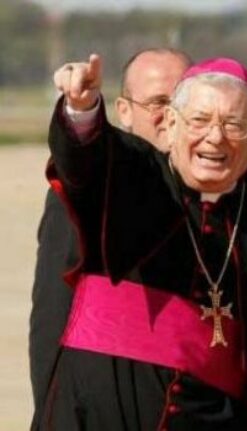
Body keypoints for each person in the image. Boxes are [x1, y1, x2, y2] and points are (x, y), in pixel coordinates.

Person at [40, 53, 247, 430]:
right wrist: (82, 108)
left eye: (234, 124)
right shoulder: (129, 178)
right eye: (199, 120)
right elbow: (85, 156)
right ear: (171, 124)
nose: (215, 137)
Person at [29, 48, 192, 427]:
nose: (171, 115)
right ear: (124, 111)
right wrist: (82, 109)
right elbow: (53, 312)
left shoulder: (234, 185)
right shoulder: (94, 182)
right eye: (158, 103)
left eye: (183, 102)